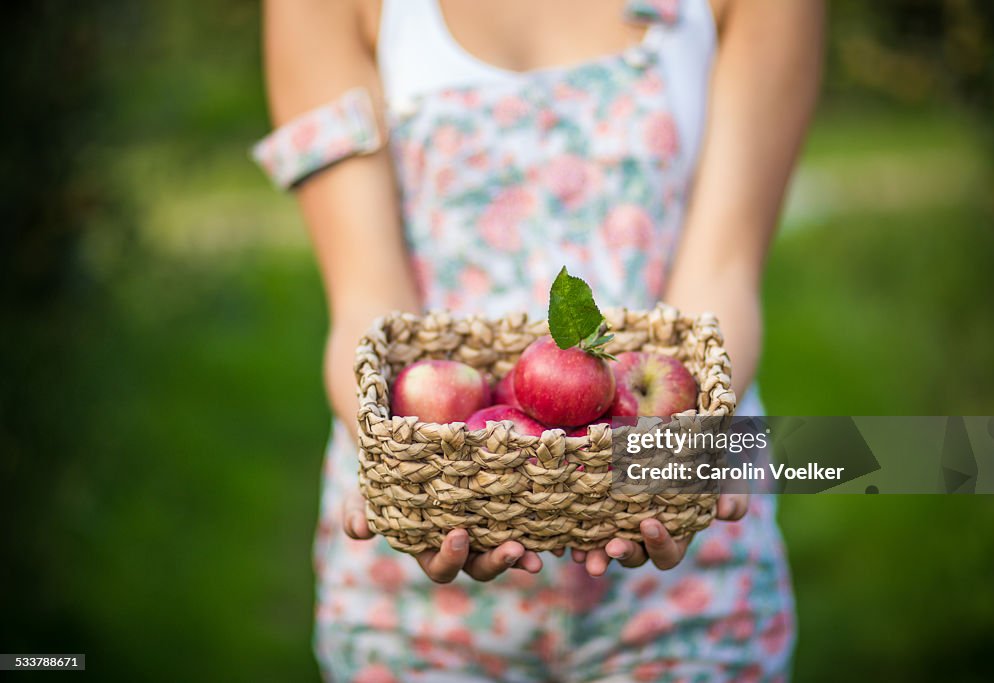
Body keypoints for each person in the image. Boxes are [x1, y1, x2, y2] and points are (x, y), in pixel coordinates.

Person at [256, 0, 822, 680]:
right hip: (426, 562)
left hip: (680, 553)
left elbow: (723, 274)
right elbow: (367, 307)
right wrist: (414, 479)